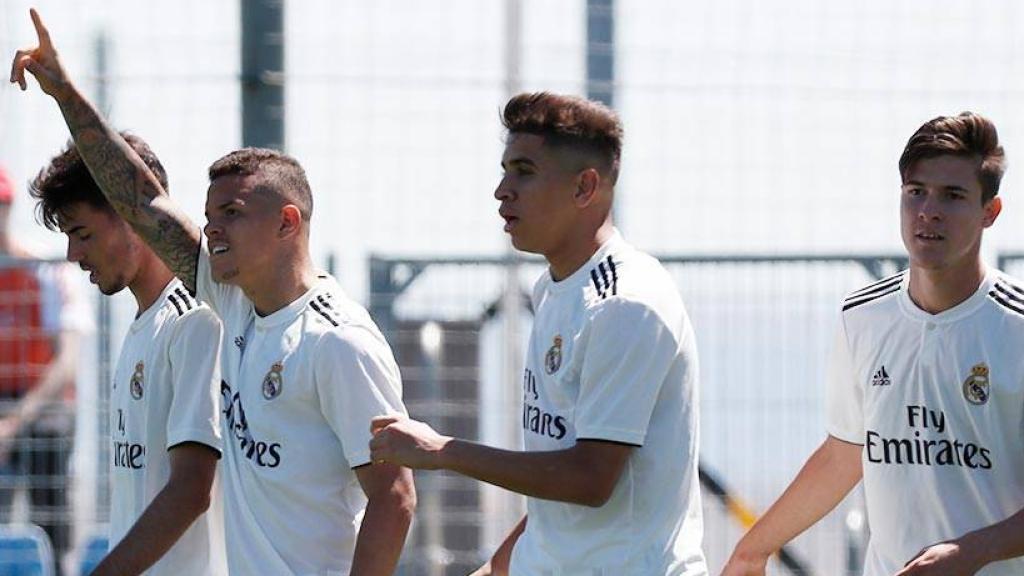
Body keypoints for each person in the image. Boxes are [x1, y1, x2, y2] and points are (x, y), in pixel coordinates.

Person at [11, 9, 415, 575]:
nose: (213, 229)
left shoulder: (337, 340)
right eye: (208, 216)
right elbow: (144, 202)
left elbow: (394, 498)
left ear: (287, 222)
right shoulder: (233, 306)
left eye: (231, 213)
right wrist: (65, 93)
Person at [369, 91, 707, 575]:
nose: (502, 190)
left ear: (584, 187)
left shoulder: (626, 304)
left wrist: (443, 451)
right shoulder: (552, 289)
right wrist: (495, 568)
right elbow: (556, 498)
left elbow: (589, 480)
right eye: (505, 169)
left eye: (523, 171)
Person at [722, 112, 1024, 576]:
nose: (928, 211)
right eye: (915, 192)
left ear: (990, 212)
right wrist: (754, 549)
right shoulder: (862, 316)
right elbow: (846, 451)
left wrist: (974, 551)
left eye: (953, 196)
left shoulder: (1015, 326)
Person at [29, 134, 226, 576]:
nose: (72, 255)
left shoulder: (195, 322)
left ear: (133, 216)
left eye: (82, 234)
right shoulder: (144, 325)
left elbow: (193, 488)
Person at [0, 164, 89, 574]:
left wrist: (16, 420)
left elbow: (66, 360)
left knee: (48, 459)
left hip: (41, 402)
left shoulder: (43, 268)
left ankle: (59, 566)